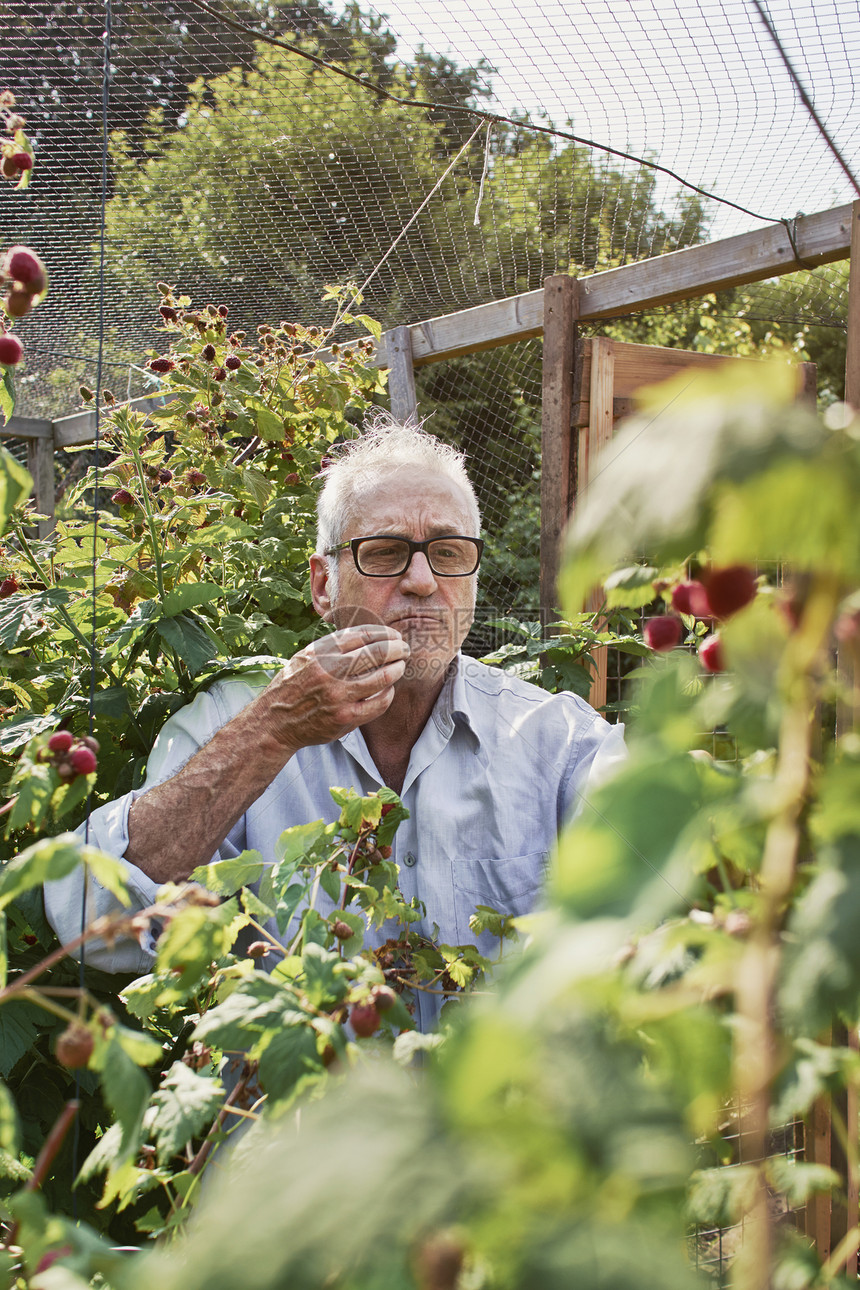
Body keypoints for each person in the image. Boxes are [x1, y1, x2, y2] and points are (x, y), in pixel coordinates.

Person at [44, 419, 625, 1030]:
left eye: (449, 554)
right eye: (384, 553)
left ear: (473, 581)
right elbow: (86, 920)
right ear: (324, 586)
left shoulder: (554, 739)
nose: (423, 582)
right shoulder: (232, 725)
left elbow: (668, 850)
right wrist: (272, 731)